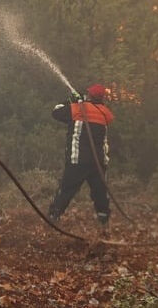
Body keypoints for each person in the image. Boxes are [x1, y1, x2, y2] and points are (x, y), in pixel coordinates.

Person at [47, 83, 115, 231]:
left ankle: (54, 217)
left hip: (78, 160)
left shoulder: (78, 109)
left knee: (66, 189)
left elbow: (56, 112)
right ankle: (104, 222)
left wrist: (71, 100)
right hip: (98, 162)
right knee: (100, 192)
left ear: (90, 95)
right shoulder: (105, 113)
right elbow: (103, 117)